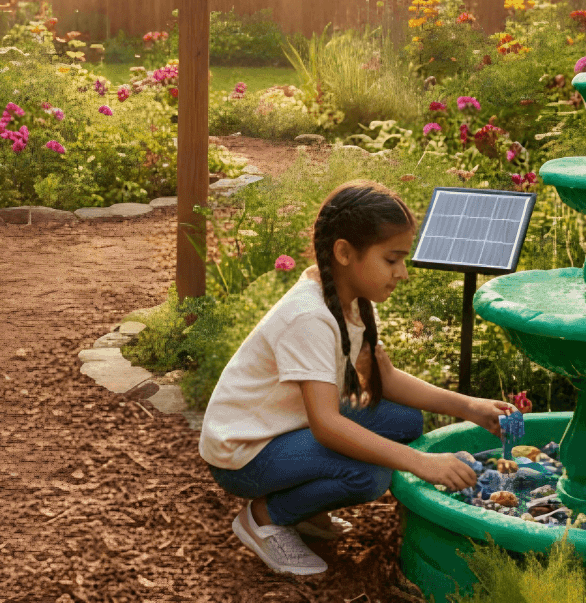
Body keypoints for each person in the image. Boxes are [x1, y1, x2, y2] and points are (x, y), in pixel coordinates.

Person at [198, 180, 515, 577]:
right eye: (392, 259)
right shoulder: (309, 316)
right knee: (369, 476)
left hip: (284, 431)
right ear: (345, 252)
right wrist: (420, 463)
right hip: (243, 452)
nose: (402, 273)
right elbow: (328, 425)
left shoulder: (350, 301)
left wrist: (469, 407)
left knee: (403, 419)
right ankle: (265, 516)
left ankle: (305, 509)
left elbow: (384, 379)